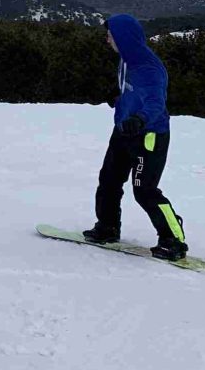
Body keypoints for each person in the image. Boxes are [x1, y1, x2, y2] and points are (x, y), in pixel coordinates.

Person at [83, 14, 187, 261]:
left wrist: (139, 119)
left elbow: (155, 103)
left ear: (123, 37)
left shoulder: (149, 68)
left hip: (148, 136)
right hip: (123, 131)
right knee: (108, 180)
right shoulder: (126, 59)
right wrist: (119, 99)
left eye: (110, 35)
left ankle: (174, 240)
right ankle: (107, 227)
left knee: (145, 190)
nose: (107, 40)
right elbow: (131, 90)